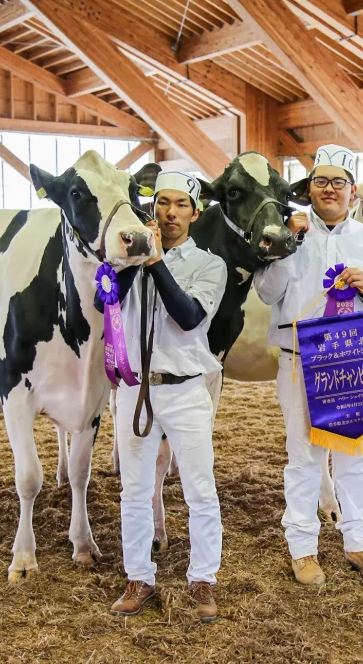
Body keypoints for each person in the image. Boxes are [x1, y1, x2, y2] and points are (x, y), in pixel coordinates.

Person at [255, 143, 363, 586]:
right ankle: (303, 549)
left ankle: (361, 544)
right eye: (320, 181)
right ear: (309, 189)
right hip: (300, 360)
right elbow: (266, 293)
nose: (329, 190)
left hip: (355, 359)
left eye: (338, 182)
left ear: (353, 192)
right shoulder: (287, 235)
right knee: (303, 458)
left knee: (354, 455)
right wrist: (287, 245)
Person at [110, 171, 227, 622]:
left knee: (200, 488)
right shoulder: (131, 259)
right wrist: (122, 265)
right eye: (163, 203)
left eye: (181, 204)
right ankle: (139, 576)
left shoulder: (209, 265)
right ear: (152, 208)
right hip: (134, 388)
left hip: (185, 389)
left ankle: (203, 580)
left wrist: (155, 262)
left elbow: (189, 316)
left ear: (195, 213)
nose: (170, 212)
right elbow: (108, 307)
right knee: (134, 490)